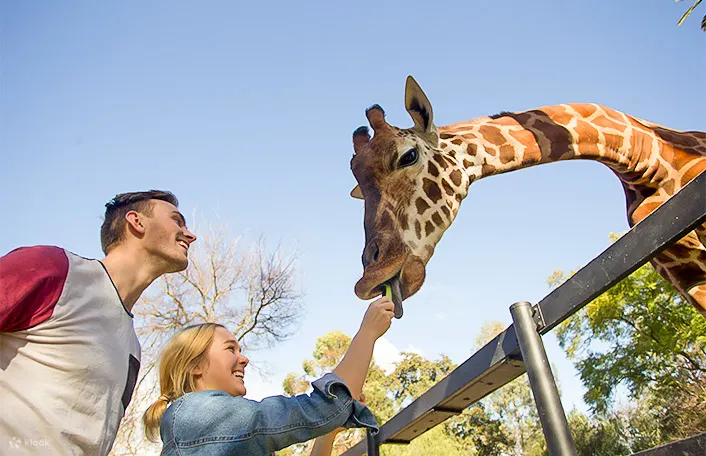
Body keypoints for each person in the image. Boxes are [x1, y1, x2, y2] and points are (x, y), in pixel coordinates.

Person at [0, 190, 197, 456]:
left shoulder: (132, 348)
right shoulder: (56, 269)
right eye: (177, 220)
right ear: (136, 222)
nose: (190, 234)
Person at [143, 296, 396, 455]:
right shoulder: (195, 414)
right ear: (195, 365)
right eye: (230, 348)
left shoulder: (225, 431)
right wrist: (367, 333)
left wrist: (328, 432)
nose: (244, 358)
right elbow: (320, 408)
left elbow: (325, 414)